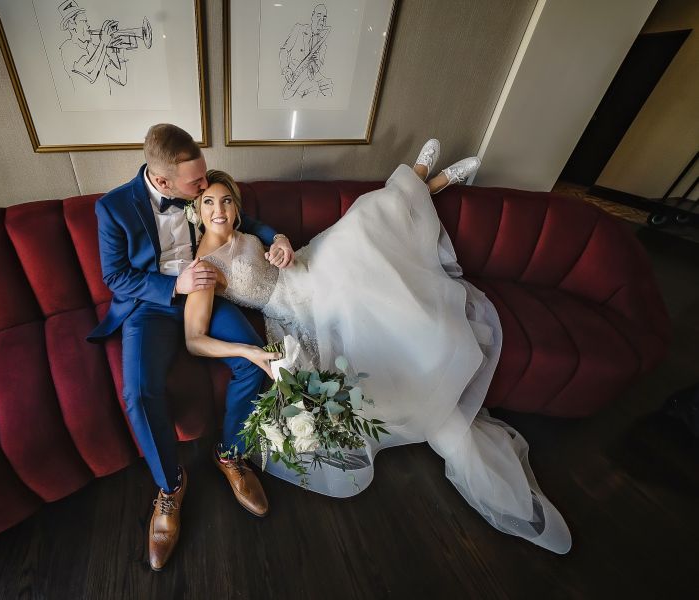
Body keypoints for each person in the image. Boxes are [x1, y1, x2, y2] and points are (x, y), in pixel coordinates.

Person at [183, 140, 573, 554]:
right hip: (298, 306)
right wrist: (246, 352)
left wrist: (279, 242)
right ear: (198, 210)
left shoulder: (243, 231)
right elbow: (194, 340)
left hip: (306, 265)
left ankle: (424, 179)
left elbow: (269, 239)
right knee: (369, 256)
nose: (219, 209)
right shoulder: (205, 269)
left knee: (362, 220)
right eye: (209, 203)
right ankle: (426, 180)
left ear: (236, 208)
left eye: (226, 201)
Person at [86, 124, 295, 571]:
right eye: (196, 184)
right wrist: (172, 283)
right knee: (138, 393)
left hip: (210, 293)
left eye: (204, 179)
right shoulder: (114, 208)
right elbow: (116, 277)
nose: (204, 187)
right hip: (151, 305)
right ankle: (169, 486)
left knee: (255, 361)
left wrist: (276, 236)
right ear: (162, 182)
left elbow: (237, 218)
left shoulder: (201, 189)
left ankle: (231, 455)